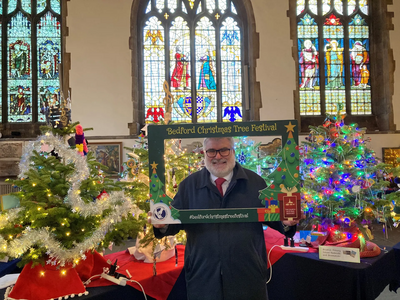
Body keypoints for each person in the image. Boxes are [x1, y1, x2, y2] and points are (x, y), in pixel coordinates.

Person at [153, 137, 297, 300]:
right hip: (203, 274)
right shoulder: (189, 185)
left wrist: (286, 223)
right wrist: (161, 225)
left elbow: (274, 219)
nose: (218, 156)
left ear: (233, 152)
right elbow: (173, 222)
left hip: (247, 273)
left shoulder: (255, 183)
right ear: (204, 154)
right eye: (211, 151)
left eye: (224, 150)